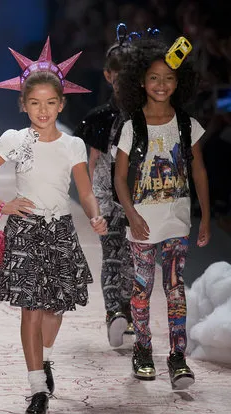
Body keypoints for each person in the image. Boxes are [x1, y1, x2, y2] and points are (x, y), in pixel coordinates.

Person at [0, 39, 107, 414]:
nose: (42, 110)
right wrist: (3, 204)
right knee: (30, 308)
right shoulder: (15, 140)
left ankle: (43, 361)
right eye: (34, 103)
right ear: (23, 105)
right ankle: (36, 389)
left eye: (50, 103)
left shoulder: (73, 145)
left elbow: (86, 191)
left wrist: (94, 215)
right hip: (26, 232)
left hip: (60, 232)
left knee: (54, 310)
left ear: (61, 104)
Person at [114, 35, 210, 390]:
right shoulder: (133, 126)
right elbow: (119, 176)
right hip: (141, 224)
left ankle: (177, 357)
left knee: (175, 289)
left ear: (178, 81)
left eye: (169, 77)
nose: (161, 84)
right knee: (142, 290)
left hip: (177, 221)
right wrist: (131, 213)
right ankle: (142, 349)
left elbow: (199, 171)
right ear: (141, 81)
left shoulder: (187, 125)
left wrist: (206, 217)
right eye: (154, 77)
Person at [74, 24, 135, 347]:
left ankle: (125, 309)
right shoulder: (99, 119)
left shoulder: (151, 117)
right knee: (113, 255)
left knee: (133, 259)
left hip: (142, 198)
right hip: (109, 199)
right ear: (109, 76)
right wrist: (93, 206)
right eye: (119, 73)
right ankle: (115, 313)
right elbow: (93, 163)